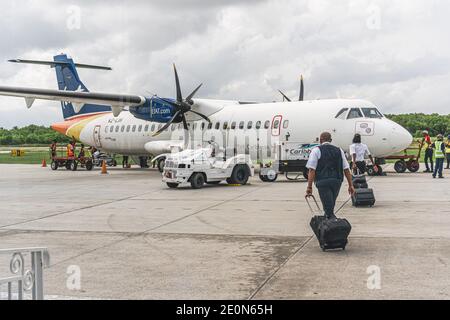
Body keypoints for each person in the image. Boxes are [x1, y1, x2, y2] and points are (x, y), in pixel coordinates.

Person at [306, 132, 355, 219]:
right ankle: (329, 223)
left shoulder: (316, 150)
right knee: (330, 205)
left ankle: (331, 224)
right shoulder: (339, 150)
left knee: (328, 208)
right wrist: (351, 185)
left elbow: (311, 169)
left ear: (320, 140)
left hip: (322, 181)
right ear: (331, 140)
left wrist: (309, 187)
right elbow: (346, 169)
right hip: (337, 181)